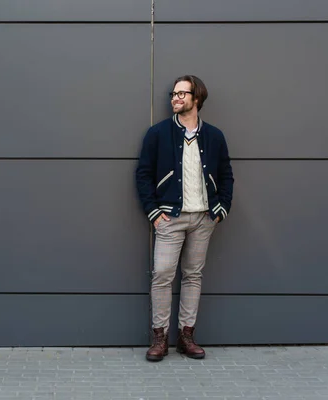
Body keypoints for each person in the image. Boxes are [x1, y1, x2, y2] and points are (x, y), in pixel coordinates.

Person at [135, 75, 234, 361]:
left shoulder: (214, 136)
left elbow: (226, 175)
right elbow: (143, 174)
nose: (175, 98)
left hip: (204, 219)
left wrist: (221, 209)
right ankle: (160, 337)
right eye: (173, 94)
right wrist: (154, 212)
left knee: (193, 276)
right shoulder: (158, 133)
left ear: (197, 98)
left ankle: (186, 337)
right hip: (170, 219)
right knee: (162, 275)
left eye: (181, 93)